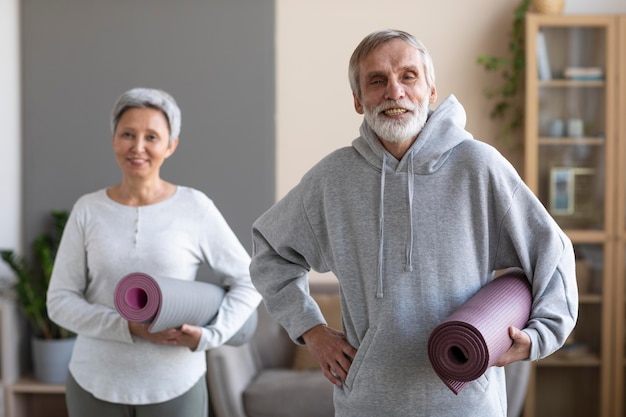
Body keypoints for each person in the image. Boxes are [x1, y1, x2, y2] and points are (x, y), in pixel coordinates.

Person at [249, 29, 578, 416]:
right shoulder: (332, 180)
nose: (394, 91)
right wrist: (312, 330)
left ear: (431, 91)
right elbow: (269, 252)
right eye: (377, 80)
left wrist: (540, 336)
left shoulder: (479, 166)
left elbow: (551, 252)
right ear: (358, 100)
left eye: (408, 76)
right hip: (368, 404)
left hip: (467, 403)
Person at [47, 87, 261, 417]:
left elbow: (250, 280)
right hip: (93, 383)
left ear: (171, 145)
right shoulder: (88, 210)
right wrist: (127, 327)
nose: (138, 147)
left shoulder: (195, 207)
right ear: (113, 139)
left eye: (152, 136)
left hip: (175, 385)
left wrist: (208, 336)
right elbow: (59, 301)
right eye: (128, 134)